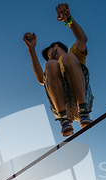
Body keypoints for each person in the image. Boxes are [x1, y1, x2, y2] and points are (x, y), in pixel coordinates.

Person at [23, 3, 94, 137]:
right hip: (62, 105)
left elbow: (82, 39)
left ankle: (83, 111)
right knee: (50, 66)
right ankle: (64, 119)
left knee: (68, 58)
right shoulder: (52, 65)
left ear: (55, 47)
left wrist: (69, 20)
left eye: (49, 53)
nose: (49, 57)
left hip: (81, 97)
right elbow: (40, 79)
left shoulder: (74, 54)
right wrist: (31, 49)